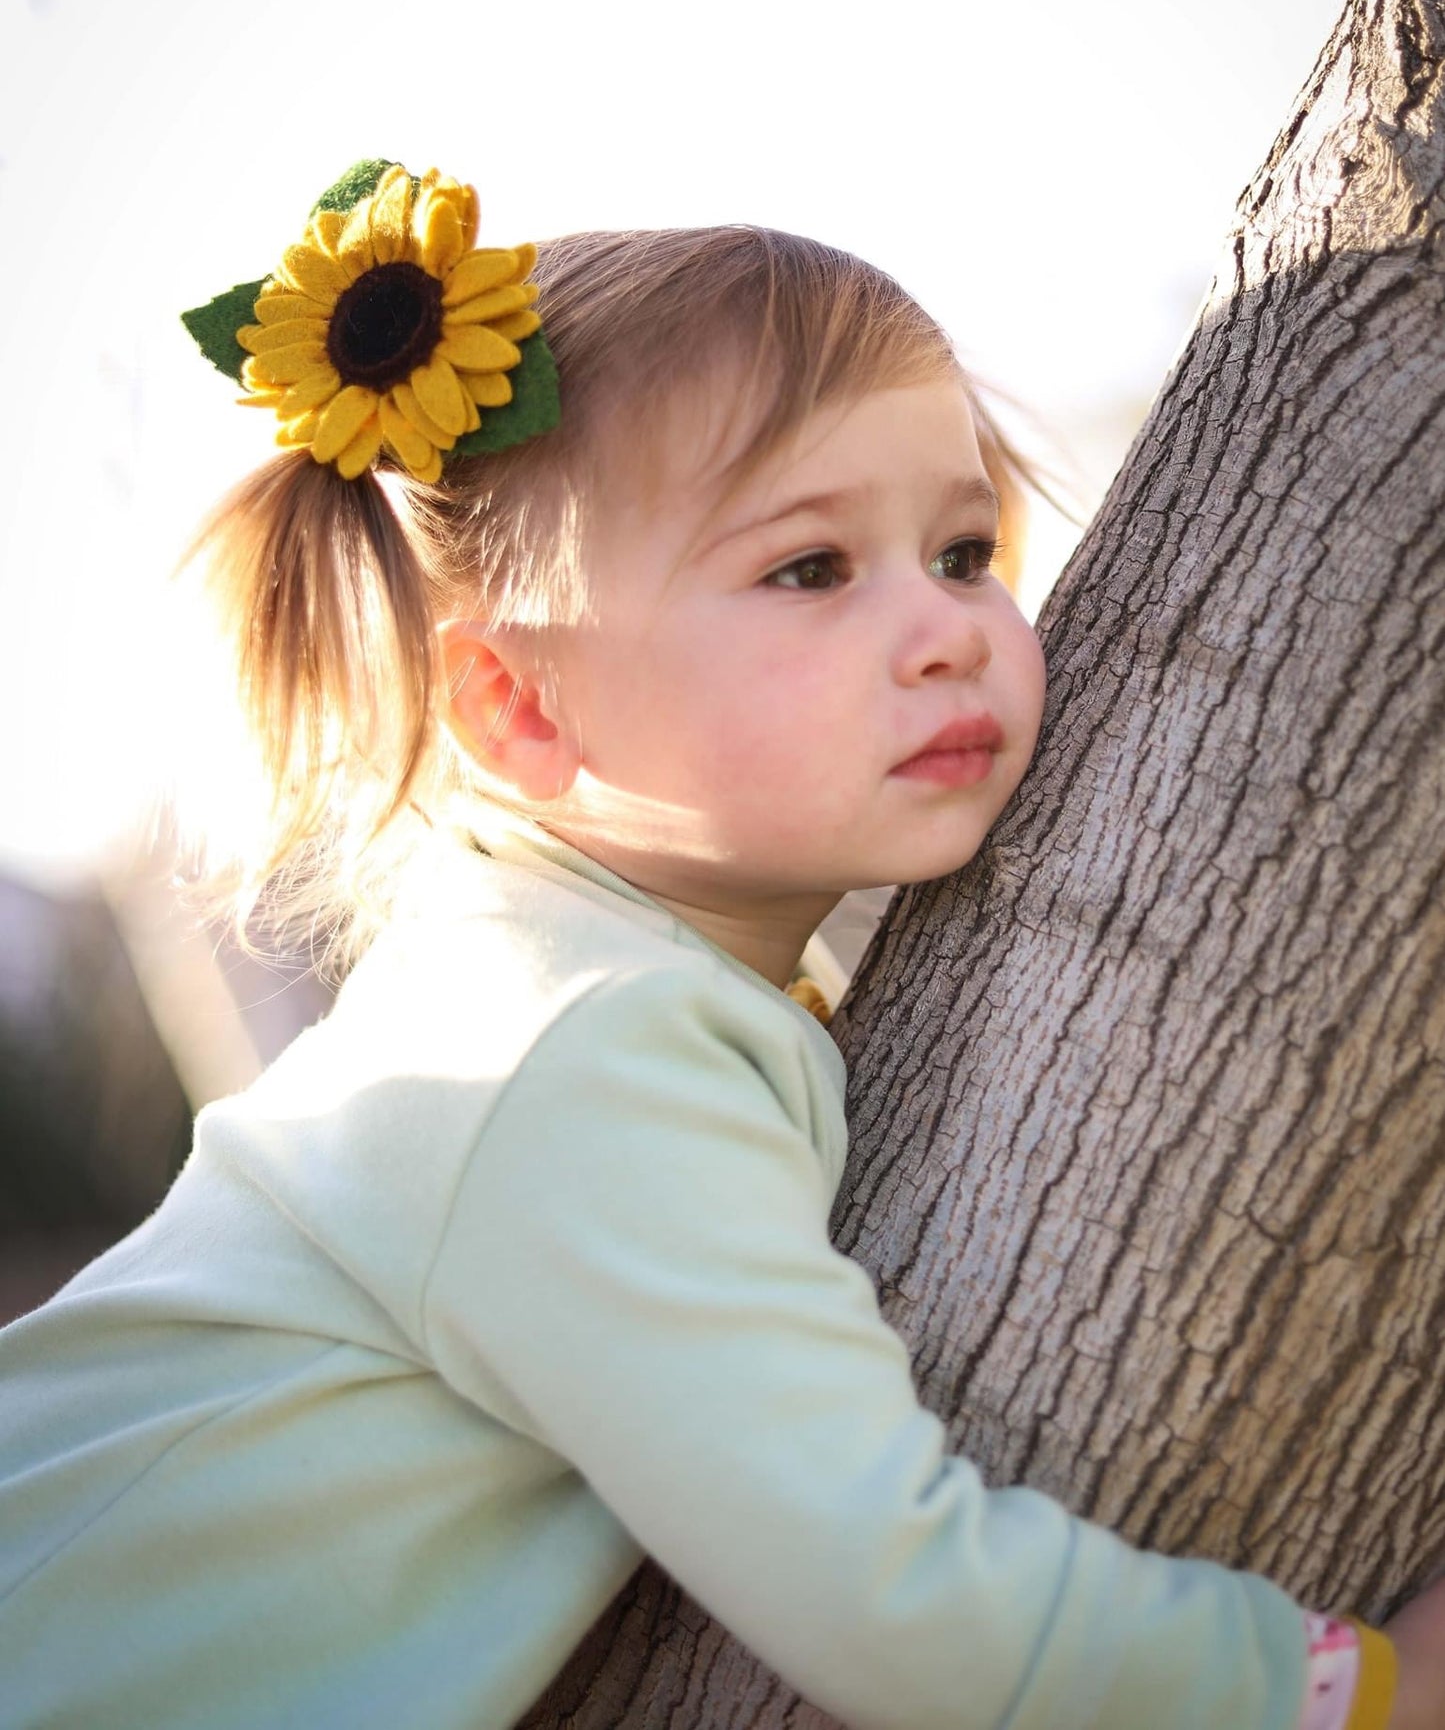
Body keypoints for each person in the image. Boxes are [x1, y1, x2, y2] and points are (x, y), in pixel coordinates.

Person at [0, 159, 1438, 1730]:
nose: (951, 624)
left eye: (963, 553)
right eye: (810, 568)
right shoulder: (577, 1053)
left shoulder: (578, 983)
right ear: (519, 705)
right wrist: (1359, 1696)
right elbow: (895, 1591)